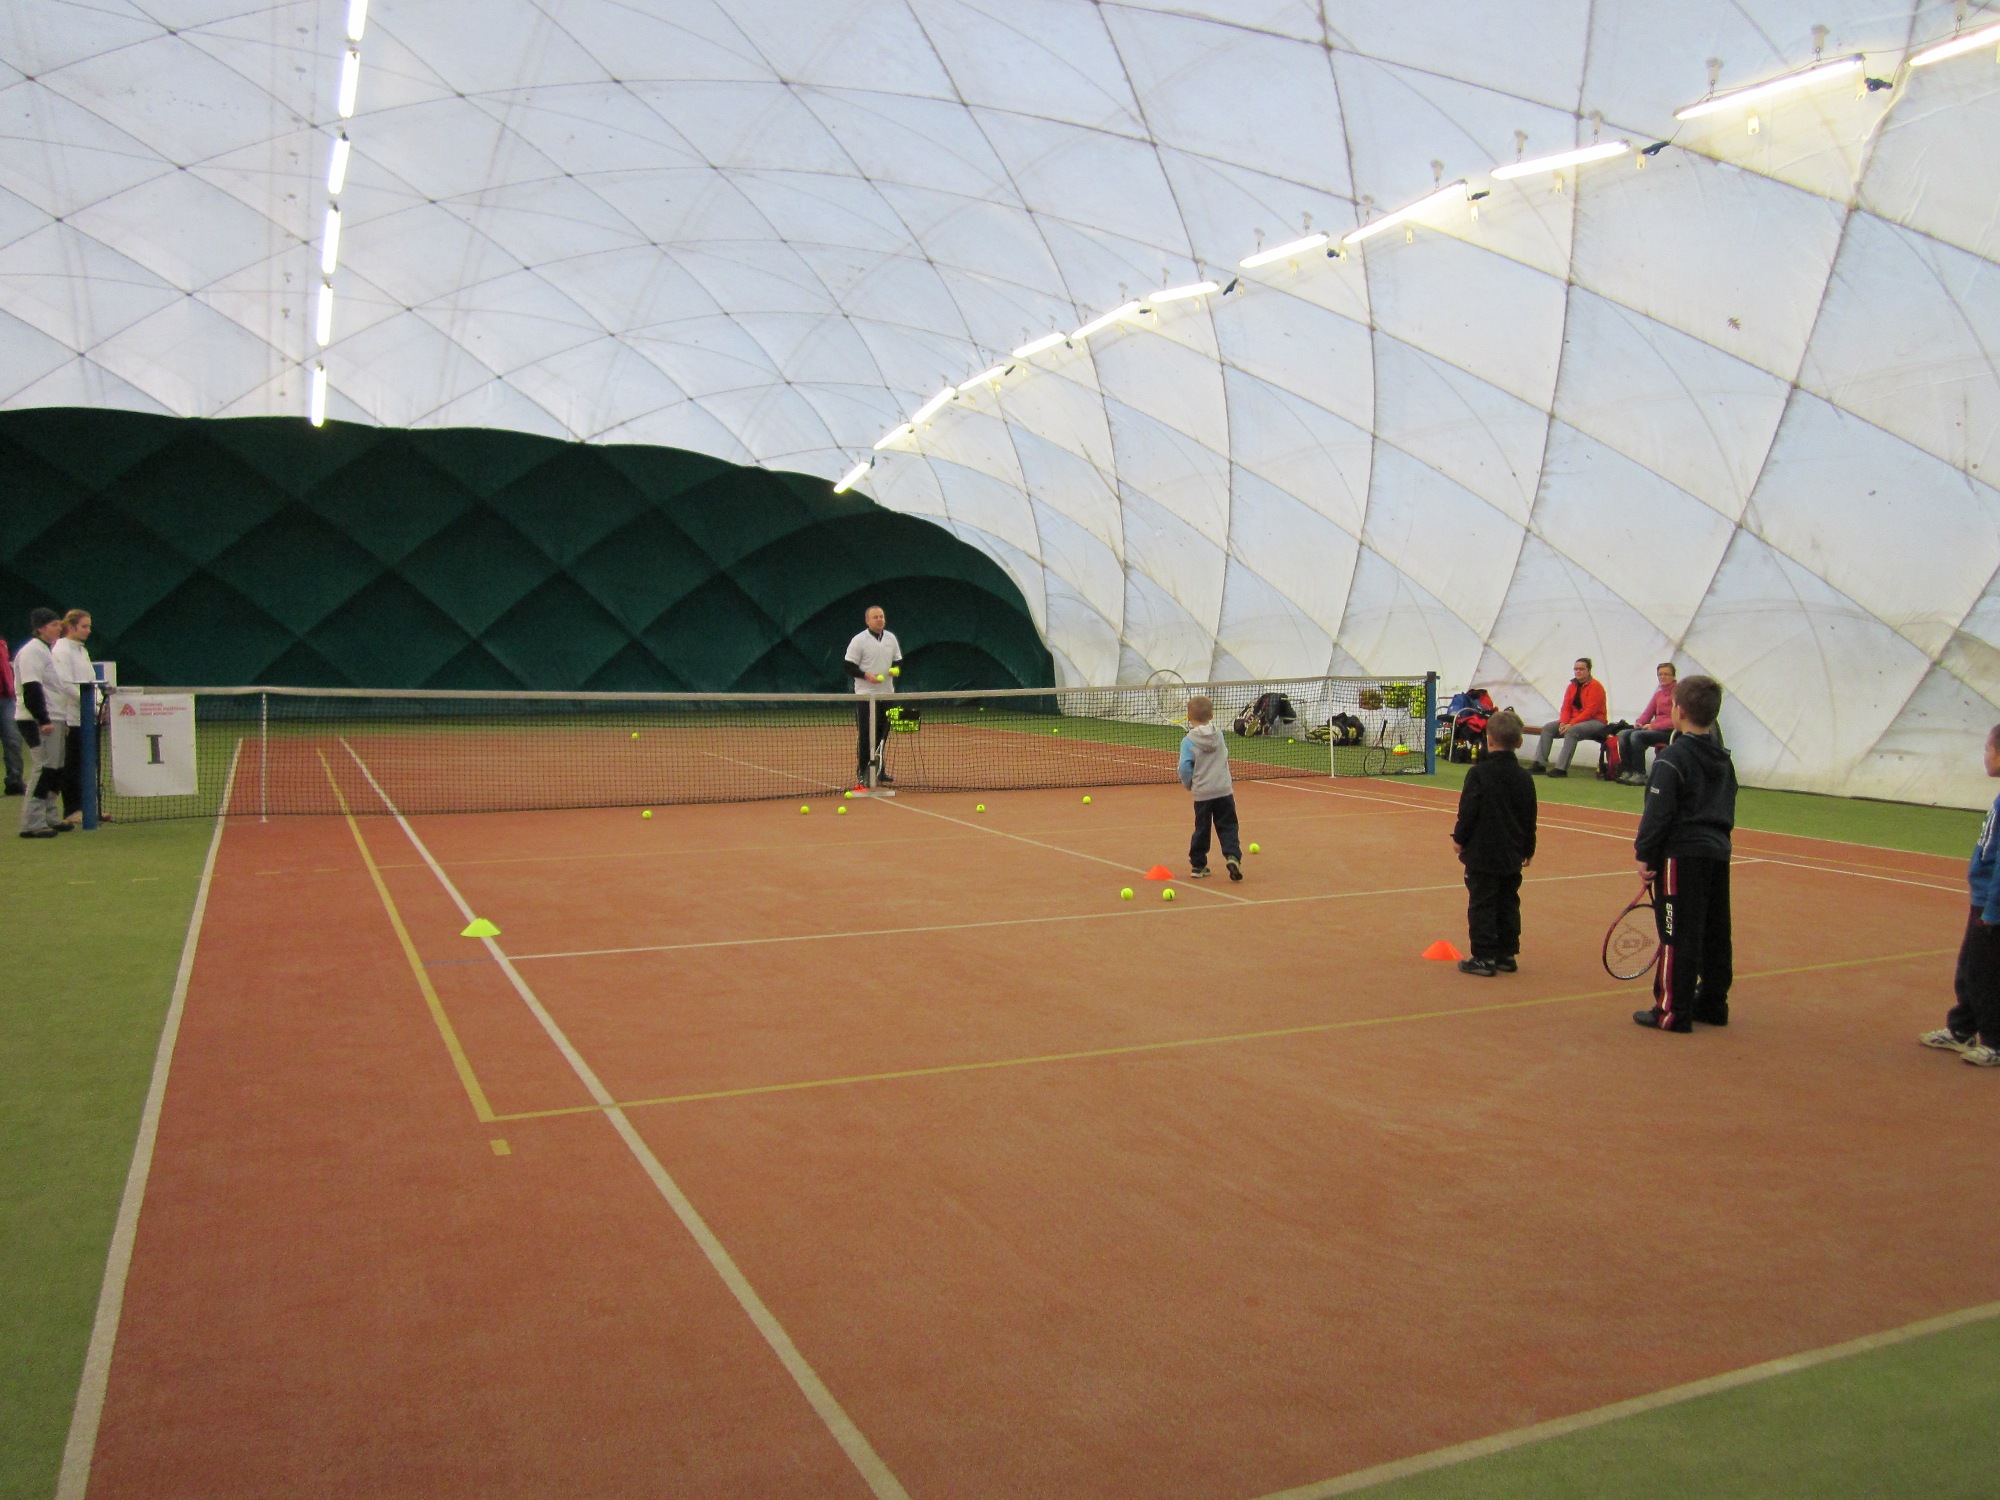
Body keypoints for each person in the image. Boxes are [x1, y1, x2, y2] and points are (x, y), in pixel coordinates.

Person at [1632, 675, 1735, 1033]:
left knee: (1676, 933)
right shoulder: (1723, 759)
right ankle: (1713, 1001)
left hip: (1682, 854)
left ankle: (1672, 1010)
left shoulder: (1672, 758)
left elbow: (1658, 813)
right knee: (1714, 929)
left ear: (1679, 711)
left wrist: (1645, 854)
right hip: (1717, 852)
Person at [1920, 725, 2000, 1067]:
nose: (1985, 755)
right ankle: (1962, 1029)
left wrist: (1993, 909)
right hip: (1983, 897)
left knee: (1987, 972)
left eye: (1988, 749)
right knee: (1970, 965)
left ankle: (1995, 1042)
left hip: (1993, 904)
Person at [1451, 710, 1537, 976]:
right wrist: (1528, 847)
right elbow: (1529, 816)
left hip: (1483, 851)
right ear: (1519, 742)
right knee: (1508, 902)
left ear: (1488, 739)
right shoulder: (1524, 777)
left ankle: (1484, 956)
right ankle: (1506, 953)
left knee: (1482, 903)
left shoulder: (1479, 773)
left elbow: (1468, 810)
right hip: (1511, 852)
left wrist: (1460, 838)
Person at [15, 608, 68, 839]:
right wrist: (43, 719)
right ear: (41, 628)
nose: (59, 628)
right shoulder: (32, 651)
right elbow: (31, 688)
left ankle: (50, 816)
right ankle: (32, 823)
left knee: (55, 769)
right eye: (54, 624)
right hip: (36, 719)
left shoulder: (45, 650)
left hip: (54, 716)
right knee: (44, 768)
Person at [1178, 695, 1242, 880]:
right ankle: (1232, 856)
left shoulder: (1188, 741)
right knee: (1228, 825)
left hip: (1203, 793)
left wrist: (1189, 784)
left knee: (1202, 828)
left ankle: (1198, 865)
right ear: (1212, 715)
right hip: (1223, 790)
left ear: (1189, 716)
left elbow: (1184, 767)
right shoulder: (1219, 735)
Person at [844, 604, 902, 786]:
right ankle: (863, 771)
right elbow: (849, 666)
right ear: (867, 621)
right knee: (866, 734)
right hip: (866, 695)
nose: (879, 619)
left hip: (887, 694)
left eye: (881, 616)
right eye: (875, 617)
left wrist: (895, 669)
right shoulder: (858, 640)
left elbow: (898, 660)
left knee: (882, 734)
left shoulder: (891, 638)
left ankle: (879, 770)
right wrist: (866, 675)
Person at [1530, 658, 1608, 778]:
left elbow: (1590, 711)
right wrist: (1563, 722)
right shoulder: (1572, 686)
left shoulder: (1596, 686)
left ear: (1589, 670)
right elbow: (1566, 707)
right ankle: (1539, 764)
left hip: (1595, 721)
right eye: (1576, 669)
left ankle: (1561, 768)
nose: (1578, 671)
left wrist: (1571, 724)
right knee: (1548, 728)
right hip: (1574, 721)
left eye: (1581, 669)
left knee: (1572, 731)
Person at [53, 609, 96, 824]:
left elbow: (90, 682)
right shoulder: (61, 650)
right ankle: (71, 810)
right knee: (72, 765)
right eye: (84, 626)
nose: (88, 630)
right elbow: (66, 684)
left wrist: (97, 706)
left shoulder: (81, 650)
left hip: (86, 718)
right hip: (70, 718)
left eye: (89, 626)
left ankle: (88, 808)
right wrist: (90, 705)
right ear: (71, 627)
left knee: (86, 764)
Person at [1617, 663, 1677, 785]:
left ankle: (1640, 773)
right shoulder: (1658, 694)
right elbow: (1648, 712)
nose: (1663, 677)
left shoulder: (1679, 694)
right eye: (1660, 674)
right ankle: (1628, 771)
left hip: (1671, 732)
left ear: (1673, 676)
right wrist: (1639, 723)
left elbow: (1676, 719)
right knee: (1623, 734)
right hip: (1655, 729)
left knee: (1636, 736)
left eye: (1666, 674)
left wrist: (1654, 726)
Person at [0, 630, 21, 796]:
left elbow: (6, 672)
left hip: (6, 700)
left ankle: (15, 781)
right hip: (7, 699)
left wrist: (12, 693)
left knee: (13, 740)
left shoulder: (2, 644)